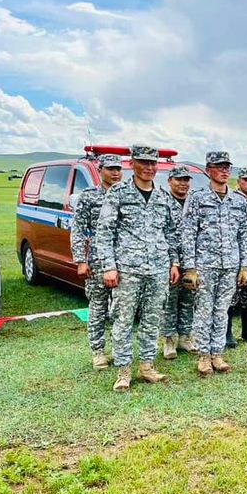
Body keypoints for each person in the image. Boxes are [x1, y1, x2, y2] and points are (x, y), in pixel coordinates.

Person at [95, 145, 180, 393]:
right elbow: (105, 231)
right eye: (144, 163)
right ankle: (123, 371)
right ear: (133, 163)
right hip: (127, 269)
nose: (150, 168)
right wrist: (108, 267)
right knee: (123, 320)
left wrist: (173, 262)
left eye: (153, 163)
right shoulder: (118, 193)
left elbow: (170, 232)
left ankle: (146, 366)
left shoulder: (163, 197)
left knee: (152, 319)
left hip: (157, 269)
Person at [181, 151, 247, 376]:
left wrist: (244, 266)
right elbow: (188, 233)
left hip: (230, 265)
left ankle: (217, 354)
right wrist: (190, 267)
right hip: (205, 266)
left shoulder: (238, 201)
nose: (224, 170)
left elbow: (244, 235)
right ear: (209, 169)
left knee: (222, 311)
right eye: (219, 166)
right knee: (203, 311)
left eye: (227, 167)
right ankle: (203, 356)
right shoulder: (198, 198)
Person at [70, 154, 122, 369]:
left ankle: (121, 351)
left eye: (118, 168)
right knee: (98, 307)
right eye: (110, 168)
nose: (115, 172)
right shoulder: (89, 196)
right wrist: (81, 260)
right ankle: (98, 351)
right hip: (97, 261)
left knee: (120, 310)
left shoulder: (127, 194)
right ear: (100, 170)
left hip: (123, 261)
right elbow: (78, 229)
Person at [162, 165, 197, 359]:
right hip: (169, 261)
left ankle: (185, 337)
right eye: (179, 179)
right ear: (170, 181)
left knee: (189, 300)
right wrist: (171, 262)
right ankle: (169, 340)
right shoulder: (163, 202)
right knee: (170, 301)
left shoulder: (193, 203)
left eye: (186, 180)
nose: (183, 183)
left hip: (191, 261)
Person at [226, 165, 247, 348]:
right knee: (231, 295)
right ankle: (227, 333)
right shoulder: (230, 200)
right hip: (234, 255)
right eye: (246, 179)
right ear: (239, 181)